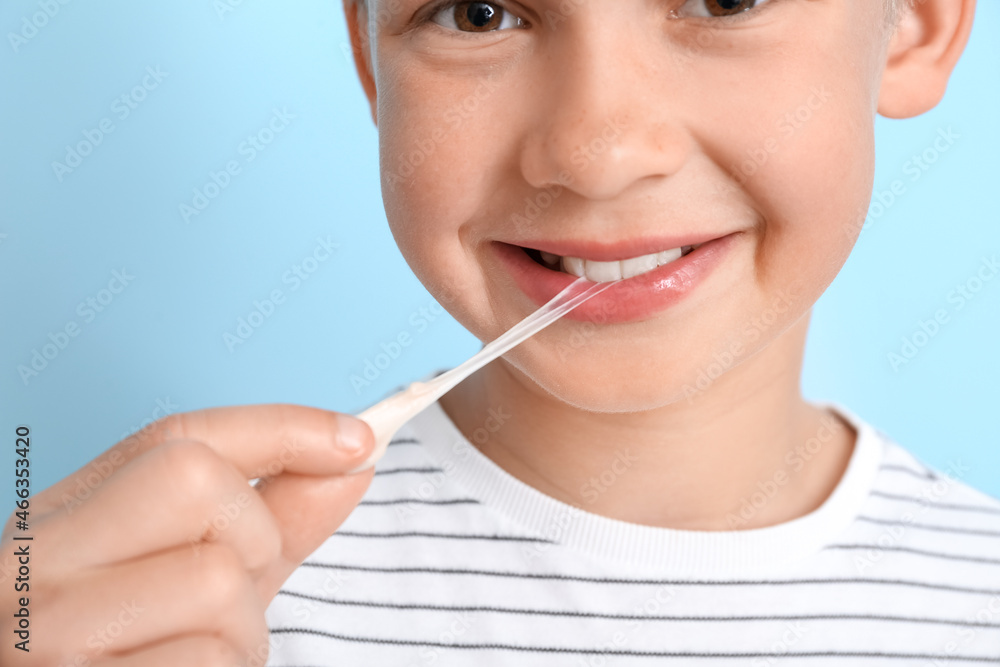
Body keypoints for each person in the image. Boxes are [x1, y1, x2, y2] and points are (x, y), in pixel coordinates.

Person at [5, 0, 997, 664]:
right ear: (369, 60)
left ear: (913, 24)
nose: (596, 152)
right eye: (478, 11)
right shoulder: (173, 610)